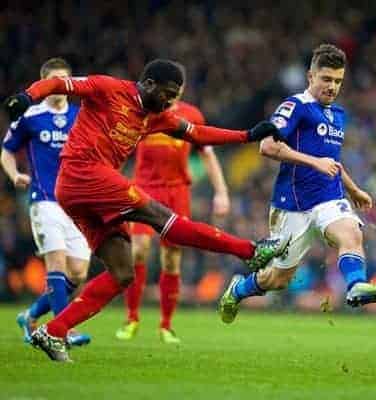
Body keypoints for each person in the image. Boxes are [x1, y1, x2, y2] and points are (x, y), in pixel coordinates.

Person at [3, 59, 289, 361]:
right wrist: (27, 96)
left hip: (84, 193)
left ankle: (54, 331)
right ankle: (250, 251)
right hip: (82, 174)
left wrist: (247, 136)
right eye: (167, 93)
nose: (170, 101)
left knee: (122, 273)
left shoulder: (157, 117)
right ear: (149, 84)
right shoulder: (108, 88)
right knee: (161, 216)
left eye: (175, 95)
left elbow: (197, 133)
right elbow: (60, 84)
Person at [218, 44, 376, 323]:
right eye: (326, 79)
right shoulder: (294, 107)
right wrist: (315, 163)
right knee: (277, 279)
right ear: (310, 76)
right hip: (292, 204)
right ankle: (238, 289)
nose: (332, 86)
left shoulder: (338, 114)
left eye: (338, 81)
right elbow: (267, 146)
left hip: (328, 198)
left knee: (351, 232)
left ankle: (356, 286)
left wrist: (352, 189)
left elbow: (331, 160)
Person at [115, 100, 231, 344]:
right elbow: (119, 148)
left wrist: (221, 192)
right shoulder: (143, 111)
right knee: (138, 250)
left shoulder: (191, 114)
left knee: (171, 258)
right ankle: (132, 318)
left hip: (177, 192)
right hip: (144, 189)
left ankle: (166, 325)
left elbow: (208, 154)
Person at [1, 58, 91, 347]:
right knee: (57, 263)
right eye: (53, 80)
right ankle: (60, 330)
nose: (59, 86)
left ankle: (30, 316)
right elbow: (6, 151)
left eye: (64, 80)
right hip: (45, 200)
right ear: (42, 84)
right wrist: (14, 174)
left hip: (76, 203)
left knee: (78, 272)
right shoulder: (29, 116)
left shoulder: (81, 115)